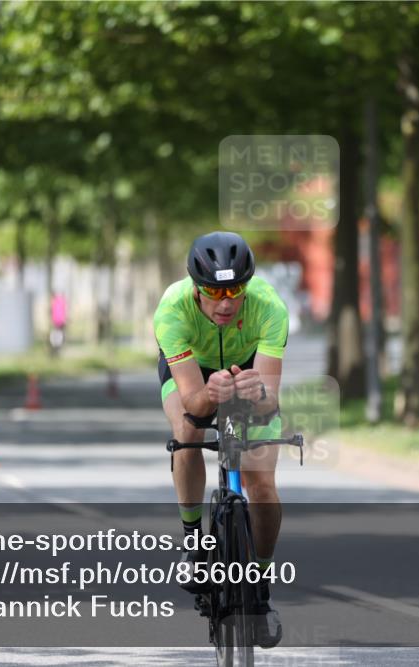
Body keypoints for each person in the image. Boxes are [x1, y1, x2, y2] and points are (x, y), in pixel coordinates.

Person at [153, 231, 289, 649]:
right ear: (197, 288)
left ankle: (260, 587)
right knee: (188, 431)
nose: (226, 301)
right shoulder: (172, 312)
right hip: (193, 372)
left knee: (262, 486)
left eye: (235, 289)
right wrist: (208, 395)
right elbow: (194, 403)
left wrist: (259, 394)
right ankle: (194, 543)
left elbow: (270, 406)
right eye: (214, 290)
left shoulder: (269, 308)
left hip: (247, 368)